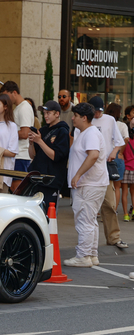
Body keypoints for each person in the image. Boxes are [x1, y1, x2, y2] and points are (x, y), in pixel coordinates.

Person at [64, 103, 109, 267]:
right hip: (91, 183)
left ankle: (83, 256)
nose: (72, 118)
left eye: (75, 115)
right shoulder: (84, 132)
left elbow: (93, 155)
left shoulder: (90, 133)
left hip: (89, 184)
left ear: (84, 118)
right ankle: (91, 255)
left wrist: (77, 175)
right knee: (89, 220)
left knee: (84, 220)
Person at [88, 96, 128, 249]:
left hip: (104, 167)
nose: (98, 114)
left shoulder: (109, 120)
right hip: (88, 168)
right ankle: (88, 239)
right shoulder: (85, 121)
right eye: (95, 111)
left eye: (100, 111)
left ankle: (114, 237)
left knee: (109, 204)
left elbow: (120, 141)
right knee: (88, 207)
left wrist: (114, 152)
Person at [27, 100, 70, 209]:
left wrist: (40, 141)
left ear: (57, 114)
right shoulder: (43, 130)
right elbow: (32, 155)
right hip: (37, 178)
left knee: (48, 213)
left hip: (51, 180)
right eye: (44, 113)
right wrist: (32, 143)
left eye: (48, 113)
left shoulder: (62, 131)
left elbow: (55, 156)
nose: (45, 116)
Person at [0, 81, 33, 190]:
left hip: (21, 155)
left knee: (17, 188)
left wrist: (7, 133)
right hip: (16, 154)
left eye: (7, 96)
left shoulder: (24, 108)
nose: (6, 99)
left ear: (14, 92)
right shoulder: (18, 108)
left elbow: (25, 133)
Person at [104, 103, 130, 220]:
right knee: (117, 186)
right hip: (117, 157)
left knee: (105, 185)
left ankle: (103, 211)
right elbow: (126, 140)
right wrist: (120, 152)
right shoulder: (122, 125)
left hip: (104, 156)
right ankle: (113, 210)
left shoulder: (104, 123)